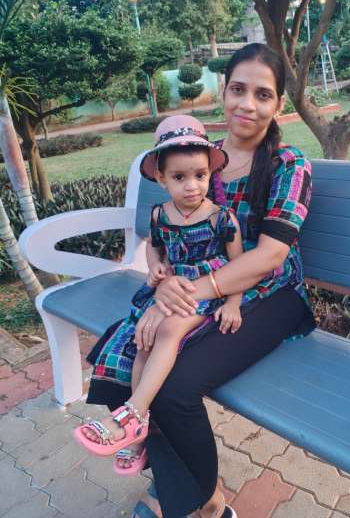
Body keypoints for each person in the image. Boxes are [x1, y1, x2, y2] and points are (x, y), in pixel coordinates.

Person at [85, 43, 315, 518]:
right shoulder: (197, 159)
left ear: (278, 103)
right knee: (124, 350)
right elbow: (172, 237)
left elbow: (270, 256)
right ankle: (182, 486)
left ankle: (204, 502)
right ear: (224, 91)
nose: (247, 104)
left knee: (174, 386)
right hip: (202, 288)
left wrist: (183, 294)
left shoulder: (289, 165)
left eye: (263, 95)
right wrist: (163, 282)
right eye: (238, 89)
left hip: (273, 294)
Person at [74, 115, 243, 476]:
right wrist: (155, 268)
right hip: (170, 288)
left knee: (166, 331)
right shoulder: (159, 216)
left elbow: (238, 264)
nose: (192, 186)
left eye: (200, 175)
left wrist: (233, 302)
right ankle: (138, 428)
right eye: (179, 177)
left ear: (210, 174)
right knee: (143, 340)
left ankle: (132, 414)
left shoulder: (222, 218)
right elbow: (155, 248)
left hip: (207, 290)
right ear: (162, 179)